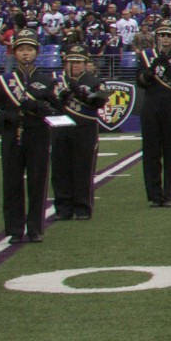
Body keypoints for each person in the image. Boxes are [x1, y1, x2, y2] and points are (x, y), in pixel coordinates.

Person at [0, 27, 53, 244]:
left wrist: (36, 106)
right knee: (12, 183)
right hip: (12, 136)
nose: (26, 54)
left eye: (30, 49)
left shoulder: (47, 79)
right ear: (15, 53)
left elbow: (56, 110)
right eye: (21, 50)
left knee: (37, 181)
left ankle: (35, 229)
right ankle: (15, 230)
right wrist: (5, 116)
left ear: (36, 52)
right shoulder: (4, 80)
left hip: (37, 135)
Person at [49, 47, 105, 220]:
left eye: (78, 62)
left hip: (84, 129)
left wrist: (79, 91)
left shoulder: (94, 81)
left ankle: (82, 208)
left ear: (86, 63)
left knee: (83, 168)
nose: (74, 65)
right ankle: (63, 208)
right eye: (70, 62)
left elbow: (99, 101)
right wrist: (58, 98)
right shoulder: (56, 81)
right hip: (61, 128)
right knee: (60, 170)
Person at [133, 20, 171, 208]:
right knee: (151, 152)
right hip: (151, 106)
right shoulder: (146, 56)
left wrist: (167, 65)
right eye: (162, 35)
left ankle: (168, 194)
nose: (165, 38)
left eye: (169, 35)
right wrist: (151, 69)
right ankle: (154, 195)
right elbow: (140, 81)